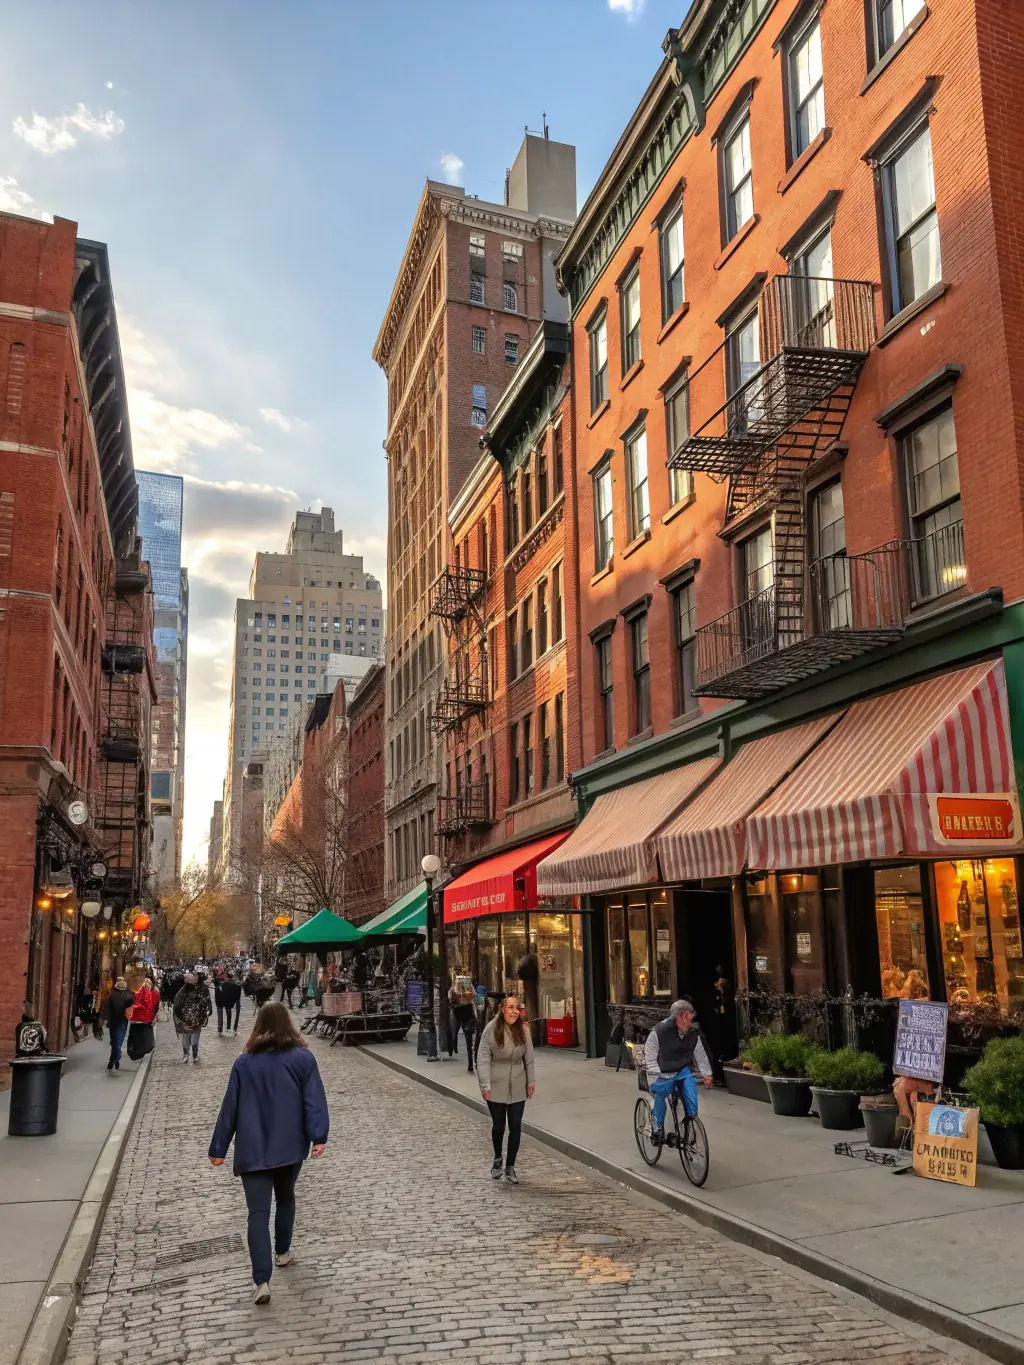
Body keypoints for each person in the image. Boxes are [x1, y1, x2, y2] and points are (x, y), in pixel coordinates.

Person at [208, 1003, 329, 1305]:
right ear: (289, 1023)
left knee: (257, 1214)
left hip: (253, 1149)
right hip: (290, 1147)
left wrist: (218, 1148)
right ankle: (283, 1252)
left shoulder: (244, 1063)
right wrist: (318, 1136)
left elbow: (230, 1108)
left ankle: (262, 1280)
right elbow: (314, 1099)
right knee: (286, 1197)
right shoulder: (302, 1059)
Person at [476, 995, 535, 1184]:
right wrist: (485, 1085)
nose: (514, 1011)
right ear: (503, 1009)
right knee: (499, 1126)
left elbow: (530, 1058)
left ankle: (510, 1166)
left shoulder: (524, 1030)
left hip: (518, 1083)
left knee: (516, 1126)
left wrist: (531, 1081)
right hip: (496, 1084)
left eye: (517, 1008)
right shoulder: (491, 1030)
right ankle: (497, 1159)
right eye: (511, 1007)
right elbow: (483, 1059)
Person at [644, 999, 714, 1142]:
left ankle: (688, 1126)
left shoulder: (693, 1033)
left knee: (691, 1097)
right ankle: (656, 1127)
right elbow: (650, 1057)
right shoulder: (659, 1031)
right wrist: (658, 1076)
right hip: (662, 1072)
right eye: (690, 1017)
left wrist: (707, 1074)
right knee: (660, 1095)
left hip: (682, 1071)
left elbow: (700, 1054)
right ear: (683, 1016)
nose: (691, 1021)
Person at [173, 972, 213, 1063]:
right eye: (193, 980)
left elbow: (206, 1002)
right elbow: (177, 1005)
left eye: (195, 979)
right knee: (186, 1038)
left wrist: (205, 1013)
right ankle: (186, 1055)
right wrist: (181, 1016)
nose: (195, 981)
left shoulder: (201, 989)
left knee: (194, 1039)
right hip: (186, 1020)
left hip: (196, 1020)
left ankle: (194, 1055)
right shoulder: (183, 991)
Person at [106, 976, 136, 1071]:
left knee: (117, 1041)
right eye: (120, 981)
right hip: (114, 1021)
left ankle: (115, 1059)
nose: (121, 982)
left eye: (122, 980)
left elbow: (133, 1003)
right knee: (115, 1041)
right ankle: (114, 1059)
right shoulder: (113, 994)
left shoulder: (128, 993)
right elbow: (108, 1008)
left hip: (122, 1021)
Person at [447, 978, 476, 1072]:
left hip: (467, 1014)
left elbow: (474, 997)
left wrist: (467, 996)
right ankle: (454, 1044)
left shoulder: (469, 988)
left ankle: (470, 1063)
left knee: (469, 1040)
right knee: (454, 1034)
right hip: (457, 1014)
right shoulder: (452, 990)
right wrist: (456, 997)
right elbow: (450, 998)